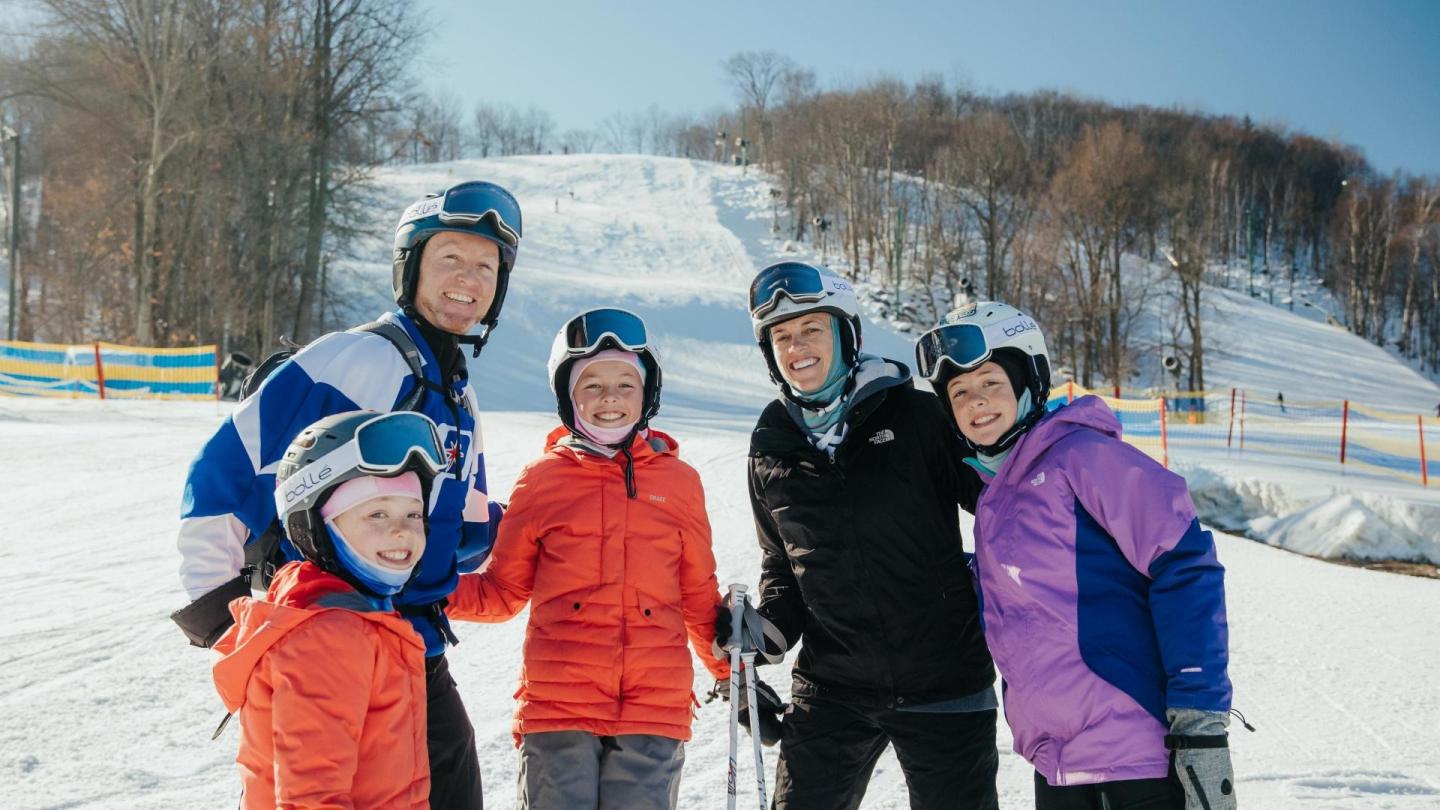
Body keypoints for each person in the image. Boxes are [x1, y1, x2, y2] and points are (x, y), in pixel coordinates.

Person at [177, 180, 523, 808]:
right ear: (411, 266)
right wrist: (218, 612)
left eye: (486, 265)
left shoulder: (457, 391)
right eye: (450, 257)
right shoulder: (357, 358)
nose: (468, 278)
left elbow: (466, 528)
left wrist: (548, 519)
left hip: (414, 642)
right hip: (334, 639)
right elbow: (222, 472)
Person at [914, 302, 1236, 810]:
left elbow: (1186, 562)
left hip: (1137, 757)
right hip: (1059, 766)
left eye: (990, 383)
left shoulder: (1082, 457)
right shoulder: (996, 496)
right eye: (959, 392)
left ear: (1028, 379)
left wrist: (1198, 716)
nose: (976, 402)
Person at [736, 261, 999, 810]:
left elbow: (1004, 506)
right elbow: (782, 566)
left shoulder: (916, 415)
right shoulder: (772, 445)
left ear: (847, 333)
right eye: (782, 337)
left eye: (812, 329)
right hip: (833, 684)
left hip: (944, 677)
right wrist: (767, 631)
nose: (797, 347)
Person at [446, 308, 730, 810]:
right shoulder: (543, 480)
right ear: (567, 396)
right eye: (591, 385)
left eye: (625, 384)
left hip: (653, 707)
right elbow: (503, 593)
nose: (610, 399)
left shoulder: (679, 483)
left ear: (647, 394)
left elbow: (697, 597)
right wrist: (425, 587)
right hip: (558, 706)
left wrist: (731, 673)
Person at [212, 410, 447, 808]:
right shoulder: (329, 637)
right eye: (376, 513)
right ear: (314, 526)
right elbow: (311, 797)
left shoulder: (346, 611)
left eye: (413, 513)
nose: (402, 531)